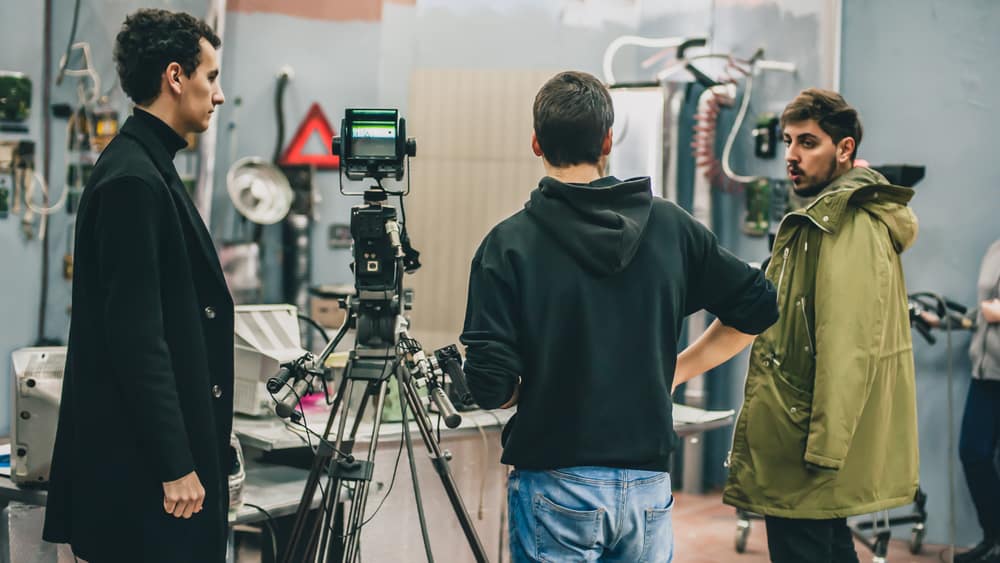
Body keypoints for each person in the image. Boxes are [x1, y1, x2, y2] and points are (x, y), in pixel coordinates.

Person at [460, 70, 778, 563]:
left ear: (536, 143)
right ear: (608, 140)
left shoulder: (507, 245)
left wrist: (533, 386)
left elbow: (488, 383)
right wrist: (675, 371)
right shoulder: (672, 227)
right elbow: (757, 306)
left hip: (555, 482)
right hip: (647, 484)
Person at [42, 9, 232, 563]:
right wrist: (176, 463)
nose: (217, 96)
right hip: (146, 480)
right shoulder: (134, 181)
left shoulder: (150, 166)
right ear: (176, 76)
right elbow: (136, 337)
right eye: (211, 77)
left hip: (153, 470)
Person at [719, 88, 920, 563]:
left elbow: (847, 341)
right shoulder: (823, 218)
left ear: (844, 149)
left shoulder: (844, 223)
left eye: (808, 143)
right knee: (829, 551)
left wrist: (825, 451)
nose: (792, 155)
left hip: (805, 442)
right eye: (789, 141)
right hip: (805, 435)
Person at [922, 240, 1000, 563]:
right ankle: (994, 539)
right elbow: (982, 311)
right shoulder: (996, 247)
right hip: (986, 374)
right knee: (974, 454)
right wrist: (942, 322)